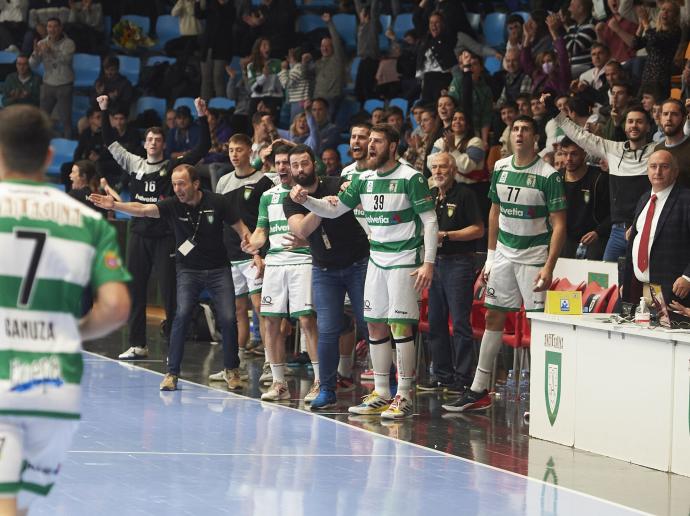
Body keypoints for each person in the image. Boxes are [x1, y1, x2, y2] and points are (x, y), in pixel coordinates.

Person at [0, 104, 130, 516]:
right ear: (49, 156)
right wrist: (70, 331)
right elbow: (115, 306)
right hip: (55, 385)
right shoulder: (86, 220)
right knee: (16, 505)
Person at [291, 124, 439, 419]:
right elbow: (333, 209)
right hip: (376, 260)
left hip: (404, 260)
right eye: (369, 141)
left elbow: (430, 221)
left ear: (393, 146)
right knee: (373, 325)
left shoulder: (411, 178)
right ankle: (381, 392)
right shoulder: (363, 179)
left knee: (400, 327)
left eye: (378, 141)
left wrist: (428, 263)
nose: (371, 146)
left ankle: (404, 394)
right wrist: (307, 201)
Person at [91, 164, 252, 392]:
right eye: (175, 184)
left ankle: (231, 370)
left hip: (218, 270)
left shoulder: (217, 202)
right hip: (188, 270)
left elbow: (241, 227)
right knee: (182, 315)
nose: (177, 189)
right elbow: (143, 209)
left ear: (195, 184)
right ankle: (171, 373)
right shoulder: (172, 205)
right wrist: (115, 205)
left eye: (182, 184)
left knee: (227, 317)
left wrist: (252, 247)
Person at [442, 115, 566, 412]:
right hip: (504, 257)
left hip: (534, 258)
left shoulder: (548, 174)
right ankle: (479, 389)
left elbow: (559, 224)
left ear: (536, 136)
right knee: (493, 317)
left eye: (525, 129)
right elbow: (494, 213)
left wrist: (549, 266)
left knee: (537, 324)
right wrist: (491, 256)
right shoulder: (500, 167)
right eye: (516, 130)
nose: (519, 134)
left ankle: (541, 397)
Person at [96, 94, 211, 361]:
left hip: (165, 236)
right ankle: (137, 344)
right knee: (135, 289)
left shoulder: (174, 167)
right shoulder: (134, 163)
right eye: (149, 139)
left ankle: (173, 347)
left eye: (158, 140)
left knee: (170, 292)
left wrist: (202, 117)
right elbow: (109, 140)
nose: (153, 143)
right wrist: (104, 110)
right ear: (144, 143)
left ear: (163, 144)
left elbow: (203, 146)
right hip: (139, 234)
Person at [283, 145, 370, 410]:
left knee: (369, 323)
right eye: (295, 165)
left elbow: (352, 199)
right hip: (324, 270)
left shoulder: (337, 182)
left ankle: (385, 385)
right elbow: (302, 230)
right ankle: (327, 388)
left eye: (304, 163)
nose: (300, 169)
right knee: (328, 328)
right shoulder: (290, 199)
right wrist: (317, 205)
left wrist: (330, 199)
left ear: (315, 164)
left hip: (358, 263)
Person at [243, 144, 320, 403]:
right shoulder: (268, 196)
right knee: (270, 322)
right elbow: (261, 232)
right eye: (278, 163)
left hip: (302, 261)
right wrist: (253, 243)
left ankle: (320, 381)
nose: (283, 168)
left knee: (307, 321)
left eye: (287, 163)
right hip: (275, 263)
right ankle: (279, 383)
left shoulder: (309, 193)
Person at [208, 133, 275, 383]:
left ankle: (272, 363)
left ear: (250, 151)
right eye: (231, 150)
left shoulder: (263, 182)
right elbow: (219, 218)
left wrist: (261, 253)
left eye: (239, 149)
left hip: (253, 255)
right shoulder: (223, 182)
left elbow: (264, 222)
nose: (234, 154)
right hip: (229, 255)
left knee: (261, 309)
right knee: (237, 311)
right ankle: (233, 365)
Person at [417, 152, 484, 393]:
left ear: (453, 169)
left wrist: (447, 236)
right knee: (435, 322)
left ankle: (463, 376)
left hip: (459, 263)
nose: (437, 172)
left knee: (459, 323)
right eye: (433, 167)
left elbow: (478, 230)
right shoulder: (430, 196)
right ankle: (442, 375)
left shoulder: (465, 194)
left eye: (442, 167)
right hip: (433, 264)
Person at [555, 101, 654, 262]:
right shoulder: (613, 150)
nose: (634, 125)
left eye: (639, 121)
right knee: (604, 279)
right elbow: (580, 136)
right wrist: (555, 112)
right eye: (630, 121)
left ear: (649, 127)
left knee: (640, 281)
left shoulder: (658, 151)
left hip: (645, 229)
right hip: (616, 231)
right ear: (624, 126)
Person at [623, 150, 690, 311]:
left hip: (674, 290)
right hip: (642, 287)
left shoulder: (686, 199)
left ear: (675, 172)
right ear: (647, 171)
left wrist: (688, 277)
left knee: (668, 334)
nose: (657, 171)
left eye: (664, 166)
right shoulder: (644, 199)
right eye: (653, 166)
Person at [559, 137, 611, 260]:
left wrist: (598, 232)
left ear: (585, 153)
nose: (568, 159)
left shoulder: (599, 178)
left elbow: (613, 213)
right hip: (566, 236)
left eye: (574, 154)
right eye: (564, 154)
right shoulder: (556, 177)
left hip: (595, 236)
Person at [28, 17, 74, 138]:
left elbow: (66, 60)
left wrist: (51, 51)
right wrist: (35, 54)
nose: (52, 29)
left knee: (65, 119)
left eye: (55, 26)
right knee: (43, 117)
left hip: (64, 84)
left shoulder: (69, 43)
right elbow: (33, 65)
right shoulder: (41, 43)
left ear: (60, 28)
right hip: (48, 83)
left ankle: (69, 145)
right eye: (49, 26)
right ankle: (41, 143)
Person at [654, 99, 690, 188]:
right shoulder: (657, 149)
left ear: (684, 118)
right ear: (660, 118)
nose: (669, 118)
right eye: (665, 114)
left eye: (674, 114)